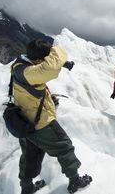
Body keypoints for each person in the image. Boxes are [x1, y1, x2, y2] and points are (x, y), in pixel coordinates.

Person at [12, 39, 92, 194]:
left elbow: (33, 86)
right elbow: (48, 69)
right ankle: (75, 181)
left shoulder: (20, 66)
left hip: (25, 121)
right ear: (38, 60)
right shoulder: (29, 72)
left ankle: (27, 189)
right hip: (41, 122)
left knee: (29, 156)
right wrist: (56, 53)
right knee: (64, 147)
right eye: (44, 60)